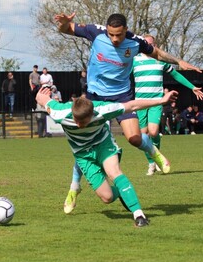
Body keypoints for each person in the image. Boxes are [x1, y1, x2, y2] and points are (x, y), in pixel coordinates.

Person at [54, 12, 201, 212]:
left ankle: (152, 151)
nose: (115, 39)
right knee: (86, 144)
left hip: (122, 95)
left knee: (134, 138)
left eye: (119, 35)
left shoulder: (135, 42)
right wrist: (63, 24)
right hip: (95, 96)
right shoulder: (94, 32)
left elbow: (156, 53)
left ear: (125, 31)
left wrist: (178, 61)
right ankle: (74, 187)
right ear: (107, 30)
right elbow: (67, 29)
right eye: (112, 35)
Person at [36, 86, 178, 227]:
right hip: (83, 156)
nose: (78, 125)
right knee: (107, 197)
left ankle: (139, 215)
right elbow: (41, 99)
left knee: (114, 172)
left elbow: (133, 105)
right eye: (76, 120)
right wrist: (41, 93)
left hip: (103, 145)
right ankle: (120, 191)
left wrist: (162, 100)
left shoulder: (103, 110)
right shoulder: (59, 112)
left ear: (91, 115)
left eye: (83, 122)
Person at [132, 34, 203, 175]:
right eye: (145, 43)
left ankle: (157, 159)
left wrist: (192, 87)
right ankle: (151, 163)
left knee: (153, 132)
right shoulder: (134, 60)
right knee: (143, 135)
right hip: (140, 102)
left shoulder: (160, 61)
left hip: (156, 101)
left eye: (151, 44)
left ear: (155, 46)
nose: (148, 46)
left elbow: (176, 75)